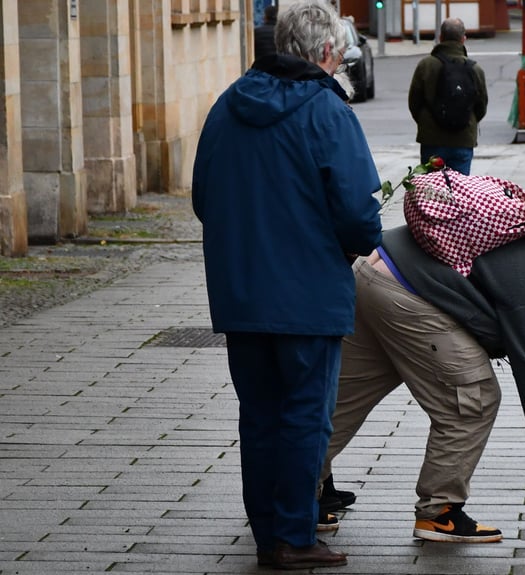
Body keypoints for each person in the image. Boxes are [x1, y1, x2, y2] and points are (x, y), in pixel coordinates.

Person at [191, 0, 382, 569]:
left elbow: (204, 198)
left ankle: (267, 534)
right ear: (326, 52)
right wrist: (353, 244)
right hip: (308, 294)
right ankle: (295, 537)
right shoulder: (327, 110)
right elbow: (356, 213)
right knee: (304, 414)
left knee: (260, 415)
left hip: (241, 292)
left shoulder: (228, 104)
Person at [320, 227, 525, 543]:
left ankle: (295, 496)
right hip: (405, 293)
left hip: (371, 269)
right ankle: (439, 513)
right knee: (474, 399)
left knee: (340, 400)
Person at [408, 18, 488, 175]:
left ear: (441, 38)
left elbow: (414, 102)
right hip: (463, 139)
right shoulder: (475, 69)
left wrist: (427, 122)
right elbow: (481, 106)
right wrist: (467, 120)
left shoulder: (426, 65)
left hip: (432, 138)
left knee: (432, 191)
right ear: (463, 39)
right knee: (459, 191)